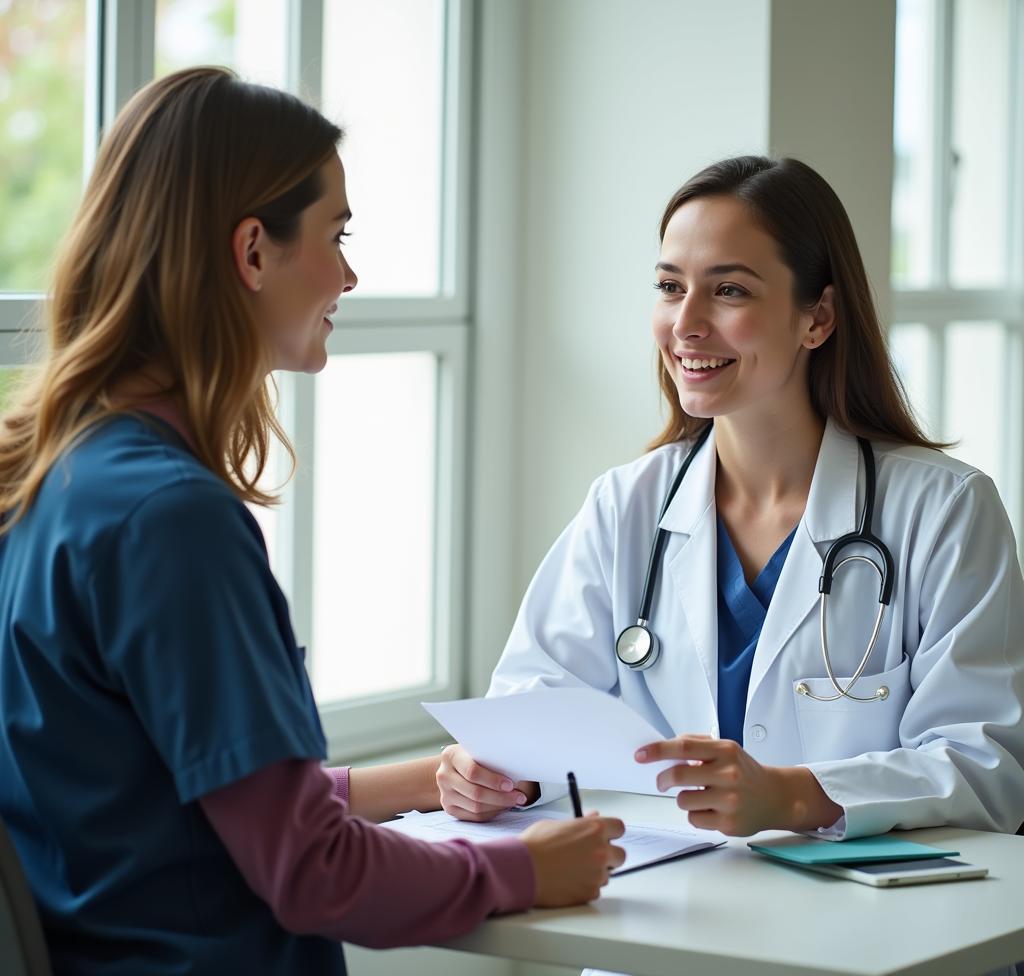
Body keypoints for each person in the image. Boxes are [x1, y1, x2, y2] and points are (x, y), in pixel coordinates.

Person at [0, 66, 625, 976]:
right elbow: (309, 870)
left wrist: (424, 781)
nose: (349, 272)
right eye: (336, 234)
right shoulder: (171, 521)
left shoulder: (49, 475)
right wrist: (521, 870)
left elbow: (173, 803)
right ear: (252, 252)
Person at [435, 155, 1024, 844]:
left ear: (819, 318)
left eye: (730, 292)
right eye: (668, 286)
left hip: (862, 934)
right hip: (660, 924)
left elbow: (990, 764)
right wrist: (494, 772)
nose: (685, 324)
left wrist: (797, 796)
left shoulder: (945, 511)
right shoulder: (627, 506)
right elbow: (530, 711)